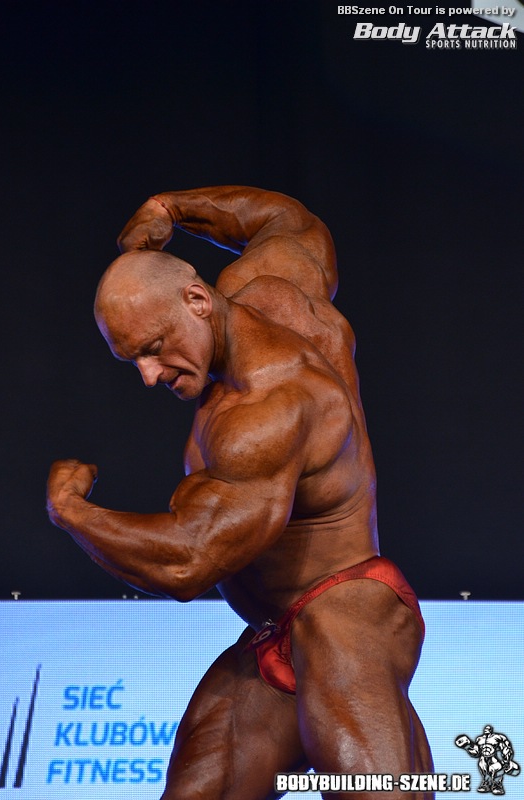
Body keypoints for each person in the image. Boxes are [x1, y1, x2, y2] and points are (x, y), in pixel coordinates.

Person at [47, 186, 434, 799]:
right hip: (273, 631)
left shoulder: (270, 405)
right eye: (133, 360)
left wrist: (72, 512)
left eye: (154, 349)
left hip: (345, 613)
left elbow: (187, 561)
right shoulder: (271, 290)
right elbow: (289, 221)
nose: (149, 375)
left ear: (197, 300)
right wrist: (170, 208)